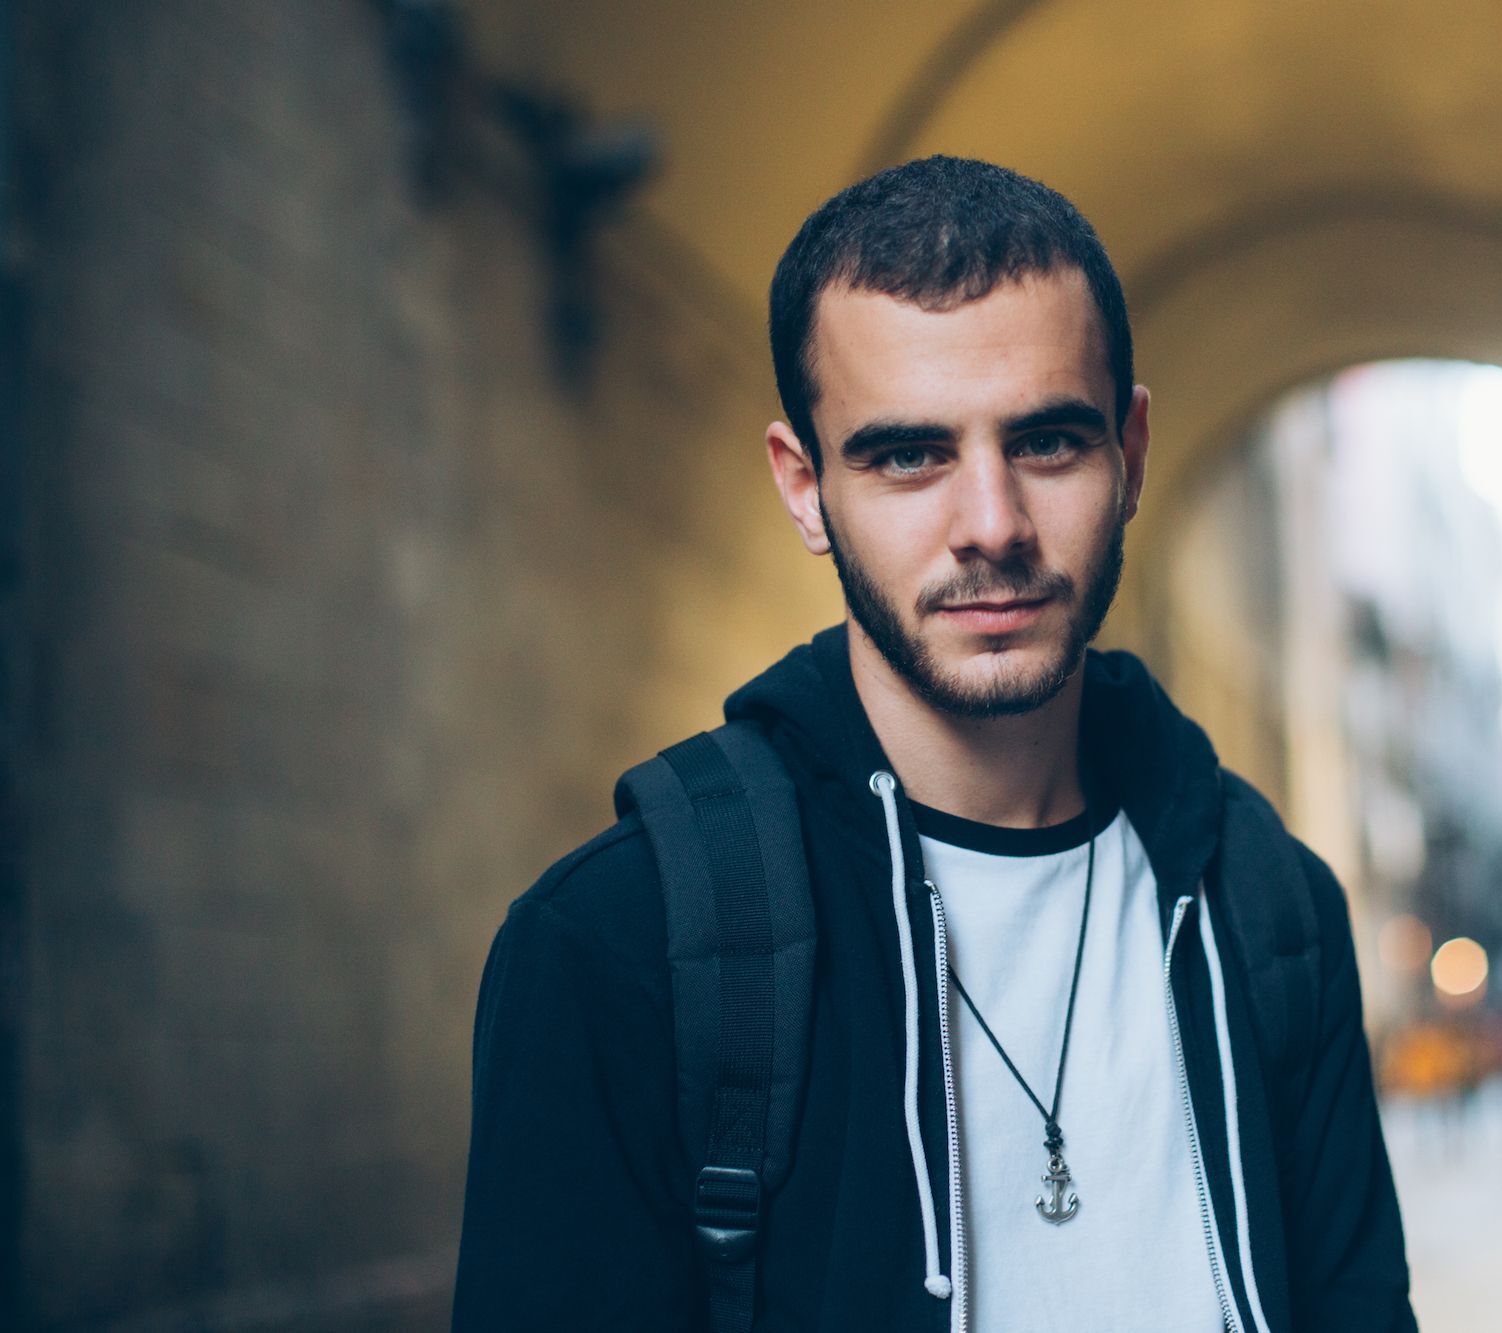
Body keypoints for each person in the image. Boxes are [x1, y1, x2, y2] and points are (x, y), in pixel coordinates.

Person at [452, 155, 1416, 1332]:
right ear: (803, 487)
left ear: (1130, 453)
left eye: (1047, 442)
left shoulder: (1266, 909)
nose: (992, 526)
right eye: (908, 455)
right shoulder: (617, 943)